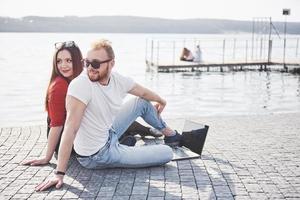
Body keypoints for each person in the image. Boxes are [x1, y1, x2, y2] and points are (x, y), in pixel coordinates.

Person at [35, 39, 183, 191]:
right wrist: (59, 173)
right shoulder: (80, 85)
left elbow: (143, 92)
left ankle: (170, 134)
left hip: (108, 133)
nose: (90, 68)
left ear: (111, 64)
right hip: (96, 155)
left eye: (96, 64)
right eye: (87, 63)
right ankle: (122, 149)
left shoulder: (117, 79)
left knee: (142, 102)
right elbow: (70, 129)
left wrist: (161, 100)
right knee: (166, 153)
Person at [22, 41, 161, 166]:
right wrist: (48, 157)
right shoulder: (59, 86)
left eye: (68, 60)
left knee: (110, 115)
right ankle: (127, 140)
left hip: (87, 134)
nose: (63, 65)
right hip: (70, 143)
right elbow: (57, 125)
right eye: (59, 61)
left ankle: (134, 136)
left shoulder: (84, 79)